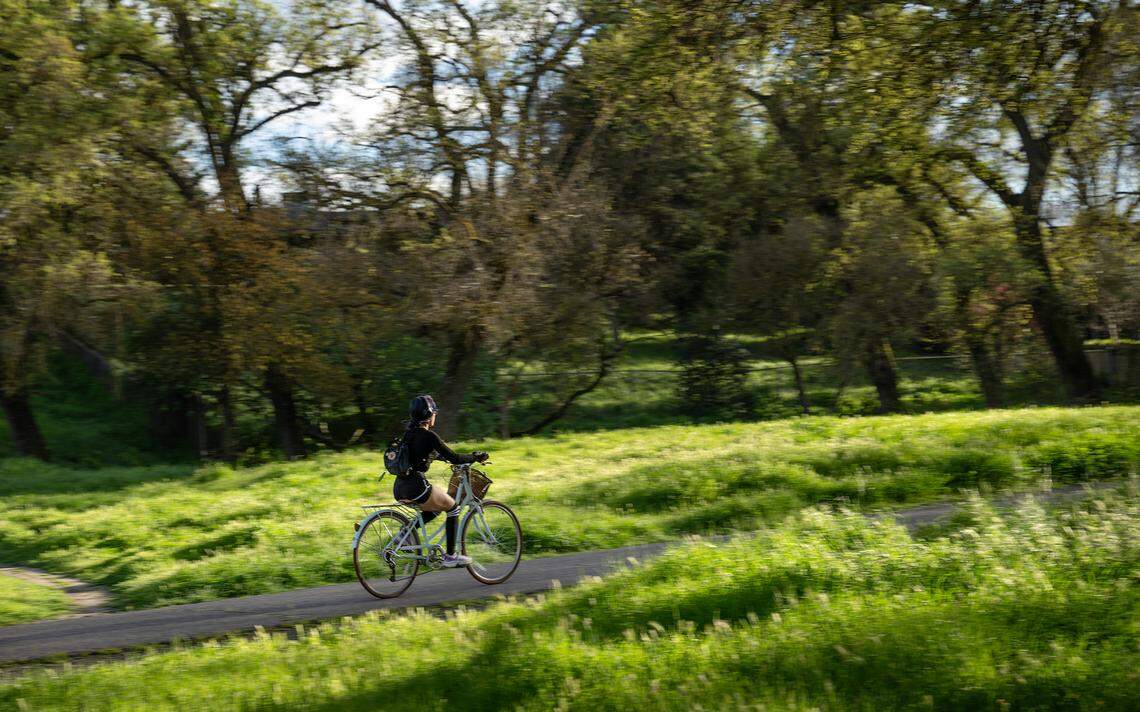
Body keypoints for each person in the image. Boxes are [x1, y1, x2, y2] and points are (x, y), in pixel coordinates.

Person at [392, 394, 489, 568]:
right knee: (453, 507)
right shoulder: (429, 436)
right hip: (416, 487)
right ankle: (451, 557)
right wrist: (475, 456)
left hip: (399, 488)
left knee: (436, 507)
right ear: (429, 414)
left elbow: (419, 455)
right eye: (434, 412)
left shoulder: (409, 434)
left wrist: (438, 458)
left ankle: (404, 535)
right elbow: (455, 457)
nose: (435, 415)